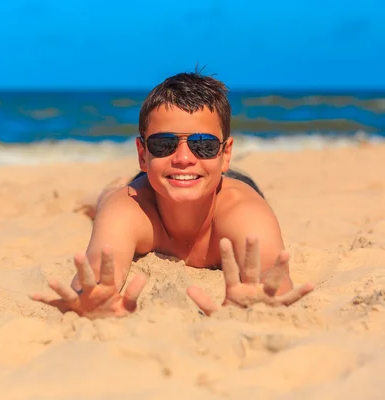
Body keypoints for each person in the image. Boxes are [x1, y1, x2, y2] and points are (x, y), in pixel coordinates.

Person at [30, 71, 314, 319]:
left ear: (225, 154)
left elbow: (273, 280)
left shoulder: (245, 213)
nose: (183, 157)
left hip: (226, 184)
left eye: (203, 144)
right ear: (143, 154)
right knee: (110, 199)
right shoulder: (130, 207)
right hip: (150, 186)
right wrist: (89, 298)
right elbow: (97, 275)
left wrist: (265, 304)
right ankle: (105, 191)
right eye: (164, 143)